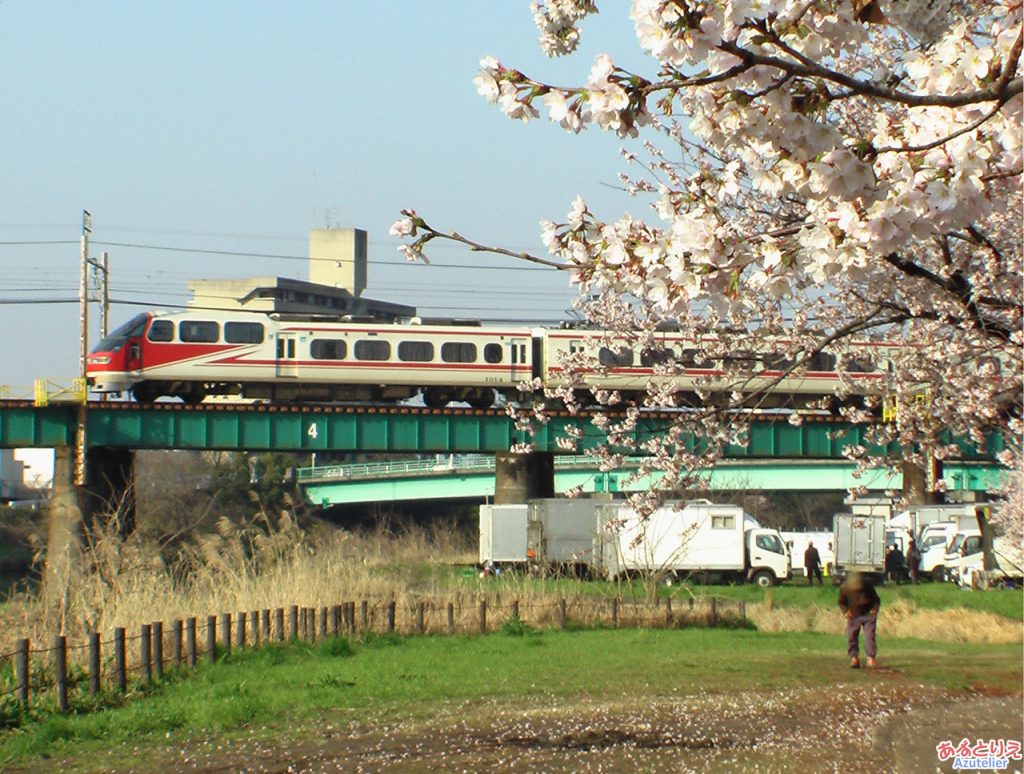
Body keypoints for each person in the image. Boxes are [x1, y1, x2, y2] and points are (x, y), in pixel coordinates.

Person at [838, 573, 881, 668]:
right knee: (851, 636)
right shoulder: (844, 588)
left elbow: (876, 600)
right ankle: (854, 658)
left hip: (868, 615)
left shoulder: (868, 586)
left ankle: (871, 658)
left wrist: (874, 610)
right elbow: (841, 602)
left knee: (870, 636)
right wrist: (845, 611)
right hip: (853, 615)